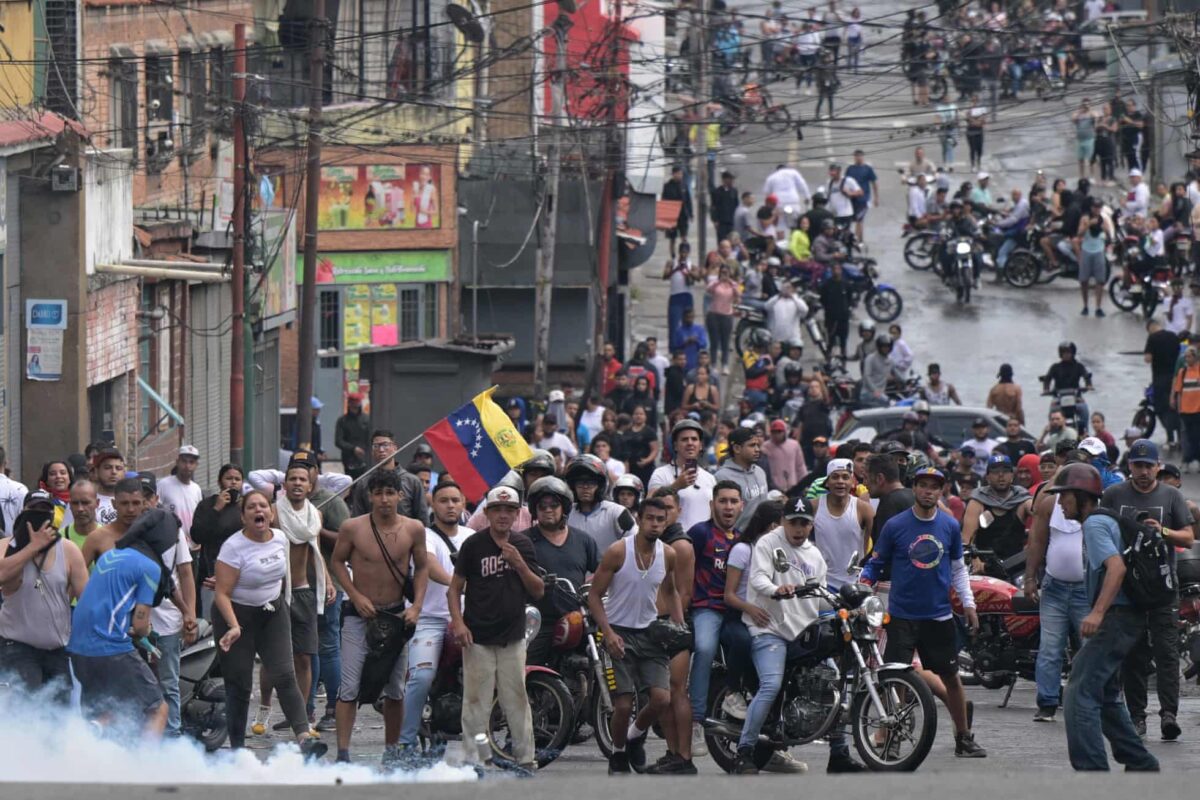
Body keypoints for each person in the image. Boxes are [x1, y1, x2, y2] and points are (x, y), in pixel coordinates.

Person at [860, 467, 987, 758]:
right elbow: (875, 564)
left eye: (934, 487)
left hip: (938, 615)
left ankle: (963, 737)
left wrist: (969, 603)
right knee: (897, 680)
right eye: (923, 485)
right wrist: (862, 589)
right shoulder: (895, 525)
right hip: (902, 615)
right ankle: (892, 739)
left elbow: (957, 569)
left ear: (942, 492)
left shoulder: (950, 525)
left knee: (951, 677)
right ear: (913, 488)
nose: (928, 491)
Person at [1054, 464, 1159, 771]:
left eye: (1064, 496)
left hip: (1117, 617)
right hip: (1128, 616)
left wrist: (1097, 613)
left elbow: (1117, 568)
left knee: (1079, 691)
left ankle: (1092, 773)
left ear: (1082, 495)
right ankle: (1141, 764)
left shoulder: (1095, 524)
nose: (1060, 503)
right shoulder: (1106, 520)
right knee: (1107, 694)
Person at [210, 490, 325, 757]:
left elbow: (282, 577)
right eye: (251, 507)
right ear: (244, 517)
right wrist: (234, 626)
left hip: (272, 611)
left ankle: (304, 737)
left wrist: (280, 603)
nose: (258, 510)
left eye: (263, 506)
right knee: (240, 684)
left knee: (284, 674)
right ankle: (238, 747)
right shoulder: (233, 547)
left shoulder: (281, 539)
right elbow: (221, 594)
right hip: (235, 616)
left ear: (271, 514)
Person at [69, 501, 195, 741]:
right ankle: (144, 772)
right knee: (157, 708)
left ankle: (93, 742)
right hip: (109, 648)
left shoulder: (110, 556)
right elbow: (140, 626)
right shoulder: (149, 567)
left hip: (78, 648)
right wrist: (144, 631)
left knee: (111, 707)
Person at [330, 469, 428, 764]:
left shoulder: (414, 529)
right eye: (378, 493)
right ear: (370, 496)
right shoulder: (352, 527)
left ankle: (392, 751)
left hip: (397, 616)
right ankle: (343, 753)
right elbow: (336, 561)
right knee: (348, 687)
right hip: (359, 617)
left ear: (400, 495)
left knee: (395, 689)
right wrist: (355, 595)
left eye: (390, 493)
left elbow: (422, 567)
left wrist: (416, 606)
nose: (384, 499)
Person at [449, 485, 544, 771]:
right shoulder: (473, 545)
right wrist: (458, 623)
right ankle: (474, 760)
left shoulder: (523, 545)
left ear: (517, 514)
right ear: (488, 513)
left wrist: (520, 565)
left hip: (513, 637)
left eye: (509, 510)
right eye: (497, 510)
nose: (503, 515)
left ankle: (525, 759)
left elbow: (538, 590)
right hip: (477, 636)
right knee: (475, 703)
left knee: (516, 700)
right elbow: (454, 589)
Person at [1104, 440, 1193, 740]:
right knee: (1134, 654)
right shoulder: (1114, 495)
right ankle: (1137, 717)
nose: (1142, 471)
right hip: (1129, 587)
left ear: (1157, 466)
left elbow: (1189, 538)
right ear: (1128, 466)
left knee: (1167, 652)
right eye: (1137, 465)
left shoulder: (1171, 496)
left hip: (1164, 587)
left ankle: (1169, 714)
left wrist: (1163, 531)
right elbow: (1101, 530)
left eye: (1148, 465)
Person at [589, 498, 683, 773]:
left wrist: (679, 624)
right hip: (617, 632)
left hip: (650, 633)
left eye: (660, 519)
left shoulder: (669, 554)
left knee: (661, 698)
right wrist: (607, 633)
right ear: (639, 519)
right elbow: (594, 596)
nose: (655, 524)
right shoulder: (618, 551)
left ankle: (633, 737)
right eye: (650, 518)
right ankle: (618, 754)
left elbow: (671, 591)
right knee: (622, 705)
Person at [252, 462, 334, 736]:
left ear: (311, 486)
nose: (298, 483)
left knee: (304, 657)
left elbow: (316, 551)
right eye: (293, 479)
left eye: (303, 479)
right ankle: (264, 708)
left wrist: (329, 581)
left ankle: (302, 714)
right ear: (284, 485)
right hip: (276, 593)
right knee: (271, 657)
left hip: (305, 591)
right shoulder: (273, 514)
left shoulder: (315, 516)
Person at [396, 481, 475, 759]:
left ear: (464, 504)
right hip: (430, 619)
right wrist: (460, 585)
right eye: (444, 500)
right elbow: (429, 566)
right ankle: (404, 744)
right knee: (422, 676)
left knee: (482, 678)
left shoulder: (472, 536)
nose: (450, 505)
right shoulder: (425, 536)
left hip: (466, 620)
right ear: (433, 504)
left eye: (455, 500)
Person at [0, 495, 88, 699]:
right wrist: (32, 547)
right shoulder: (5, 546)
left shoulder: (68, 549)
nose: (41, 519)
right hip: (17, 648)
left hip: (57, 650)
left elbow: (86, 598)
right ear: (23, 513)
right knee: (26, 713)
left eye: (45, 512)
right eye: (34, 511)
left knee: (59, 716)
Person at [687, 480, 744, 758]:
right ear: (712, 505)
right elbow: (683, 568)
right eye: (723, 501)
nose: (728, 506)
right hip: (706, 608)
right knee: (705, 649)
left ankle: (738, 702)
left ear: (742, 506)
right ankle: (696, 721)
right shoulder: (700, 533)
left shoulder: (744, 540)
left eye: (734, 501)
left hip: (735, 612)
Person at [190, 464, 246, 613]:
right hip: (210, 573)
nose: (233, 482)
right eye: (229, 478)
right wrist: (216, 509)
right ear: (220, 481)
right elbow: (197, 536)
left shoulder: (246, 506)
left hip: (241, 573)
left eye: (237, 479)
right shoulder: (207, 505)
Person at [962, 454, 1032, 565]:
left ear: (1012, 476)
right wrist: (975, 562)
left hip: (1016, 567)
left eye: (1005, 471)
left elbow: (1040, 514)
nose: (1000, 475)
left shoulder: (1023, 499)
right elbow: (966, 540)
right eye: (995, 472)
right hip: (984, 567)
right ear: (987, 477)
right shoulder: (977, 502)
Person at [649, 419, 718, 532]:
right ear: (675, 446)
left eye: (694, 439)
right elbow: (648, 505)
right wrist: (676, 486)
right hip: (673, 542)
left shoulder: (710, 478)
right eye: (684, 439)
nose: (690, 443)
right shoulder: (661, 474)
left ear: (700, 446)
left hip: (702, 543)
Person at [813, 458, 873, 585]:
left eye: (845, 477)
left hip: (855, 583)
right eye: (835, 477)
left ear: (852, 482)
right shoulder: (814, 506)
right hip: (822, 583)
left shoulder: (863, 508)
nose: (840, 481)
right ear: (827, 482)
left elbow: (873, 543)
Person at [564, 455, 637, 552]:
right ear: (573, 486)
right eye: (580, 482)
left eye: (591, 482)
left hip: (610, 566)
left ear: (600, 485)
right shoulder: (566, 513)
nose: (585, 487)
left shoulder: (617, 512)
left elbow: (636, 540)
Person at [715, 428, 770, 530]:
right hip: (736, 540)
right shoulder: (722, 477)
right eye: (752, 445)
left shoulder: (760, 472)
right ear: (737, 448)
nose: (757, 449)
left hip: (762, 539)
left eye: (758, 445)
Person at [156, 446, 203, 551]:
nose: (187, 466)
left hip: (192, 547)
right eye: (184, 461)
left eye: (191, 462)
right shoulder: (163, 485)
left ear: (196, 465)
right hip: (171, 545)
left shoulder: (196, 489)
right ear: (177, 462)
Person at [1042, 342, 1094, 434]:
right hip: (1058, 398)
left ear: (1073, 353)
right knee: (1052, 412)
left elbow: (1086, 376)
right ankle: (1052, 433)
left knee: (1084, 409)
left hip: (1076, 397)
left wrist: (1088, 385)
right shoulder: (1055, 367)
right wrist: (1046, 389)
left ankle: (1086, 432)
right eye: (1064, 353)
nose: (1066, 355)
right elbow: (1047, 378)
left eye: (1068, 352)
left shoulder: (1079, 366)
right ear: (1060, 354)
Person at [705, 264, 740, 374]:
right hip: (714, 314)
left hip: (727, 315)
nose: (724, 274)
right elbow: (708, 289)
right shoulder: (715, 283)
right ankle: (713, 364)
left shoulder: (733, 284)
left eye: (726, 272)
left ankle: (725, 364)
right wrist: (719, 281)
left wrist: (731, 283)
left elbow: (738, 296)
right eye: (723, 272)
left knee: (725, 341)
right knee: (714, 341)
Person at [1173, 346, 1200, 471]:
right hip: (1185, 410)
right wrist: (1179, 407)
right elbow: (1178, 391)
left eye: (1189, 356)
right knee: (1187, 437)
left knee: (1197, 436)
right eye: (1186, 356)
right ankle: (1187, 461)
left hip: (1197, 410)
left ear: (1195, 357)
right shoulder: (1182, 373)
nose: (1187, 359)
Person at [334, 393, 372, 479]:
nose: (355, 406)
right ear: (349, 404)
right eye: (352, 403)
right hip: (349, 459)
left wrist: (367, 451)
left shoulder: (367, 419)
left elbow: (370, 438)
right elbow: (338, 441)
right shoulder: (342, 421)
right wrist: (353, 449)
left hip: (365, 457)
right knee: (351, 482)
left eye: (357, 403)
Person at [819, 262, 852, 359]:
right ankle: (829, 352)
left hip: (843, 315)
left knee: (843, 335)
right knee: (831, 335)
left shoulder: (846, 284)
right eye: (834, 269)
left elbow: (849, 298)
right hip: (831, 315)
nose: (836, 271)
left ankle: (843, 351)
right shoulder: (827, 285)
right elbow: (823, 299)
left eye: (838, 269)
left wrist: (846, 308)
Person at [762, 419, 807, 491]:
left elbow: (800, 466)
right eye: (774, 431)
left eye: (779, 431)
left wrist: (804, 483)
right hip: (773, 488)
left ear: (785, 432)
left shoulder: (794, 445)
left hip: (793, 486)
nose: (776, 434)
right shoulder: (765, 447)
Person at [845, 149, 879, 242]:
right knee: (853, 220)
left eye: (860, 156)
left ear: (862, 157)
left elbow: (874, 183)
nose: (858, 158)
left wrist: (876, 197)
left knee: (860, 220)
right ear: (854, 157)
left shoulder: (867, 169)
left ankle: (857, 240)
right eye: (856, 156)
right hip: (852, 199)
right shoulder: (850, 169)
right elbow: (845, 183)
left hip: (863, 199)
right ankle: (857, 239)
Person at [62, 478, 100, 555]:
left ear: (97, 503)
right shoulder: (60, 539)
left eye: (85, 503)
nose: (80, 509)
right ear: (70, 505)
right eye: (75, 503)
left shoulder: (107, 537)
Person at [765, 281, 809, 346]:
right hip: (776, 337)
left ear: (792, 289)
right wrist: (778, 296)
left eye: (788, 288)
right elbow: (766, 306)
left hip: (793, 337)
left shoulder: (796, 300)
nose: (786, 290)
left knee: (798, 346)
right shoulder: (775, 300)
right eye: (784, 288)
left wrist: (793, 297)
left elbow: (805, 309)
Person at [662, 166, 693, 258]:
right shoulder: (667, 186)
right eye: (678, 173)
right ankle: (673, 256)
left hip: (683, 215)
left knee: (684, 236)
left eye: (681, 174)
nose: (680, 176)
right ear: (673, 174)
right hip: (672, 217)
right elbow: (664, 202)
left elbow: (688, 200)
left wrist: (690, 214)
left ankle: (684, 254)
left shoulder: (684, 185)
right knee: (672, 238)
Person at [91, 448, 123, 528]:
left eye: (118, 468)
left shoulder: (132, 500)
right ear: (96, 471)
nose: (114, 472)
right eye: (107, 467)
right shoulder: (83, 500)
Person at [672, 308, 709, 373]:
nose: (689, 319)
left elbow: (704, 344)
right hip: (682, 365)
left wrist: (696, 341)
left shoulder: (699, 329)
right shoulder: (679, 331)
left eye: (691, 317)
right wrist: (685, 342)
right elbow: (675, 347)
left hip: (696, 364)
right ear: (683, 317)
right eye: (687, 317)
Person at [711, 171, 740, 242]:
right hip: (721, 222)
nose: (732, 181)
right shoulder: (717, 192)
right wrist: (715, 220)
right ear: (724, 179)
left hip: (731, 221)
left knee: (732, 240)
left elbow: (736, 205)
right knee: (722, 241)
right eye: (730, 179)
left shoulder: (734, 191)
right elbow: (714, 207)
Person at [1073, 99, 1097, 180]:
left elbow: (1096, 116)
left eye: (1087, 105)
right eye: (1084, 105)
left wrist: (1089, 110)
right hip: (1079, 140)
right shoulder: (1078, 114)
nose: (1085, 106)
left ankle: (1092, 176)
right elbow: (1073, 119)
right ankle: (1082, 176)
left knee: (1091, 159)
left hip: (1089, 139)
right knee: (1080, 159)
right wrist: (1080, 112)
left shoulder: (1091, 113)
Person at [966, 97, 987, 171]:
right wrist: (976, 121)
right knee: (972, 149)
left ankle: (980, 164)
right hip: (971, 132)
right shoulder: (968, 109)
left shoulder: (982, 109)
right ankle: (973, 165)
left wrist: (977, 122)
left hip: (979, 131)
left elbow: (983, 120)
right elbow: (969, 119)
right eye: (972, 101)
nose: (974, 102)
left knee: (980, 149)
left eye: (975, 101)